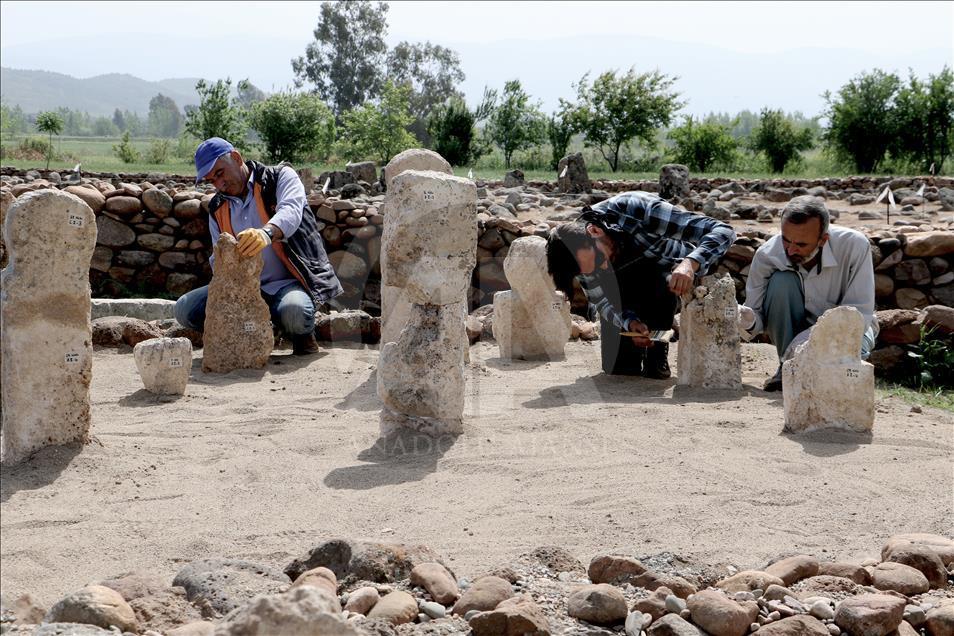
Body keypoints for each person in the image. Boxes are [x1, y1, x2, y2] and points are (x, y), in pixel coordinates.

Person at [174, 137, 342, 355]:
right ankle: (259, 330)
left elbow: (291, 212)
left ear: (236, 158)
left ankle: (298, 335)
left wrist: (266, 233)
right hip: (245, 288)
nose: (218, 184)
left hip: (288, 282)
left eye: (220, 173)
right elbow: (219, 257)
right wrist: (227, 290)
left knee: (295, 315)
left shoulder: (280, 177)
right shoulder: (217, 206)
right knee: (185, 309)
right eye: (211, 180)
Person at [546, 191, 736, 378]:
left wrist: (690, 263)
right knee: (619, 370)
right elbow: (601, 301)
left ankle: (658, 350)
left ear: (594, 231)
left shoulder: (638, 209)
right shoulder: (577, 253)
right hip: (621, 294)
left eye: (598, 260)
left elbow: (724, 231)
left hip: (663, 280)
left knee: (664, 281)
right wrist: (629, 323)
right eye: (592, 270)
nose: (603, 267)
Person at [740, 195, 877, 391]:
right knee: (781, 281)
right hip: (791, 339)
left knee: (837, 381)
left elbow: (858, 314)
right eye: (786, 240)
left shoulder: (854, 245)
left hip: (848, 329)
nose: (791, 249)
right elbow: (757, 317)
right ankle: (788, 368)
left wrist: (807, 338)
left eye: (801, 244)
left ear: (823, 240)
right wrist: (748, 318)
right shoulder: (767, 255)